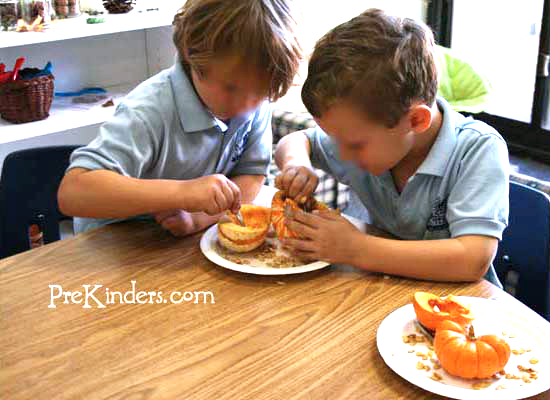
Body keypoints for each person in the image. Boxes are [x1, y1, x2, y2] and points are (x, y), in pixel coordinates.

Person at [274, 9, 509, 285]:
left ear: (416, 120)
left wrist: (355, 248)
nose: (342, 154)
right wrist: (296, 164)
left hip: (455, 309)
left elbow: (472, 259)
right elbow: (297, 140)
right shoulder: (367, 137)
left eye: (354, 145)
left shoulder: (476, 150)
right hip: (375, 291)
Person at [58, 0, 302, 237]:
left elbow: (251, 175)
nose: (245, 107)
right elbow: (74, 192)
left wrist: (200, 218)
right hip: (112, 247)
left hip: (179, 246)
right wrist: (183, 192)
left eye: (260, 94)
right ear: (192, 54)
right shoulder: (147, 112)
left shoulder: (252, 103)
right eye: (231, 88)